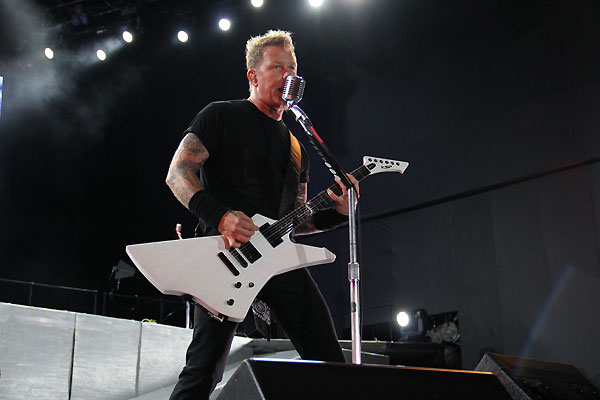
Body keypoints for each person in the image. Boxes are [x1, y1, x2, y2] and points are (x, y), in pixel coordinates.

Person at [165, 30, 358, 400]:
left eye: (293, 68)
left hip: (278, 260)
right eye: (278, 67)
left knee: (329, 362)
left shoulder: (297, 148)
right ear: (253, 76)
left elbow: (295, 220)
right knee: (204, 370)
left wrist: (336, 213)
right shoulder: (220, 115)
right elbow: (178, 174)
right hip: (225, 258)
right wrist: (221, 216)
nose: (289, 75)